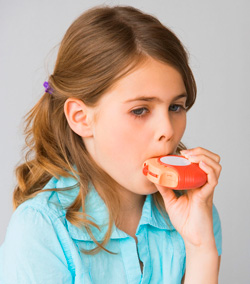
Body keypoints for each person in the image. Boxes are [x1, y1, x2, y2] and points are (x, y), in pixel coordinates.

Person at [0, 5, 222, 284]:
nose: (167, 130)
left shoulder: (196, 214)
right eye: (140, 110)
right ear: (81, 118)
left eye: (176, 107)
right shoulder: (41, 230)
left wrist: (201, 248)